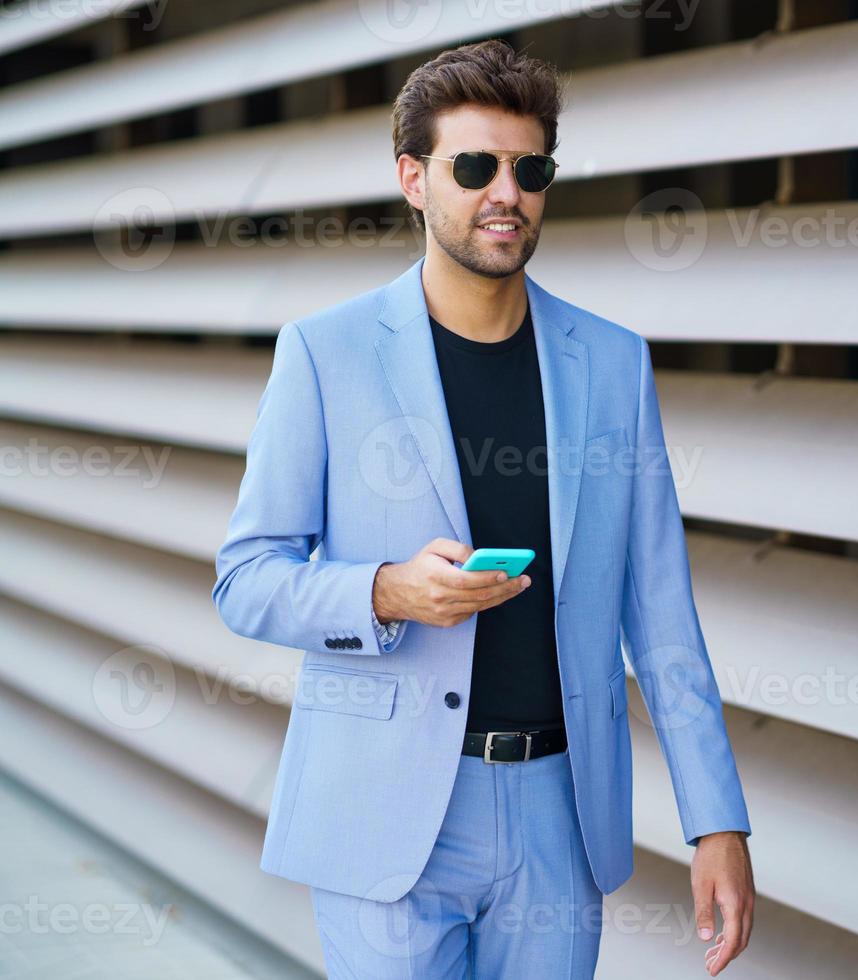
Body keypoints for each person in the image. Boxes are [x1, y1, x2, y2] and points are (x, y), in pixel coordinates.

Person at [212, 38, 754, 979]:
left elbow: (663, 612)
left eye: (529, 168)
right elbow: (246, 581)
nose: (506, 192)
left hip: (560, 815)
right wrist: (384, 592)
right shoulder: (324, 353)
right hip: (383, 817)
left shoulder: (614, 364)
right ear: (413, 179)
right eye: (475, 167)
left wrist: (717, 820)